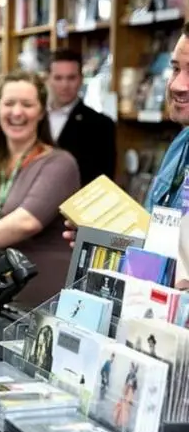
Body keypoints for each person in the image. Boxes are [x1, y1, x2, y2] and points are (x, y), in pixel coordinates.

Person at [64, 23, 189, 263]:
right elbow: (154, 240)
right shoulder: (181, 143)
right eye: (174, 69)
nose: (176, 85)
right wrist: (106, 239)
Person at [0, 71, 80, 307]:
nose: (17, 112)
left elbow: (26, 222)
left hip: (41, 299)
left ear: (41, 112)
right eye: (9, 103)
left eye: (27, 104)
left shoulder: (60, 163)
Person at [48, 49, 116, 186]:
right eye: (58, 78)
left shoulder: (101, 125)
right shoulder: (33, 118)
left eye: (71, 78)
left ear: (81, 79)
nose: (65, 85)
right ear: (48, 79)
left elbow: (102, 181)